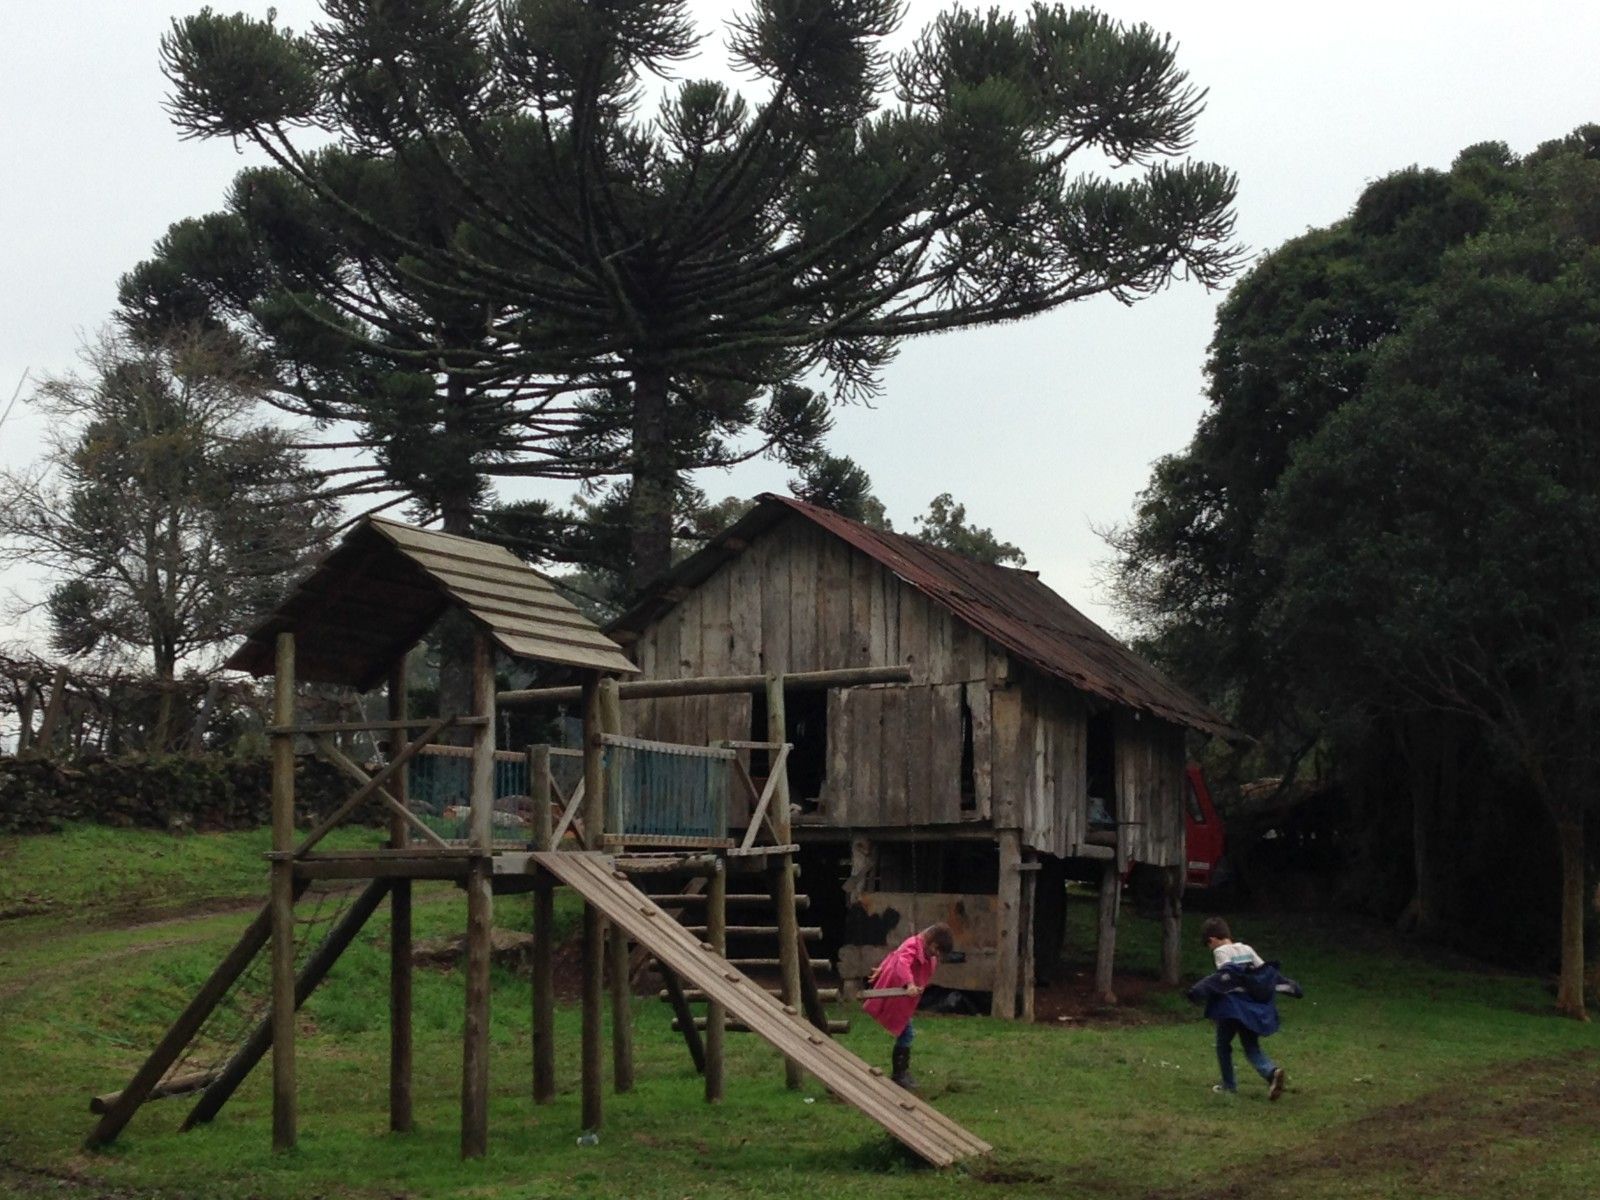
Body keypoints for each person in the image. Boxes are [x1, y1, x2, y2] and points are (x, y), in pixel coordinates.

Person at [1187, 916, 1301, 1100]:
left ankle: (1228, 1085)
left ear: (1213, 939)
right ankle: (1272, 1072)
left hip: (1232, 1008)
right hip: (1250, 1008)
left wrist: (1201, 990)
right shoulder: (1246, 948)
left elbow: (1228, 977)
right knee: (1251, 1046)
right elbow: (1263, 970)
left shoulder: (1221, 952)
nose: (1210, 948)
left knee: (1223, 1045)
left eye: (1209, 944)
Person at [861, 923, 955, 1090]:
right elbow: (901, 961)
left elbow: (894, 955)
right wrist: (909, 984)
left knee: (906, 1032)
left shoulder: (925, 952)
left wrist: (882, 968)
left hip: (904, 999)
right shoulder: (913, 945)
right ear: (933, 945)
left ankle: (901, 1073)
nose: (938, 956)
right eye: (938, 951)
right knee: (907, 1033)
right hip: (897, 996)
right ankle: (899, 1074)